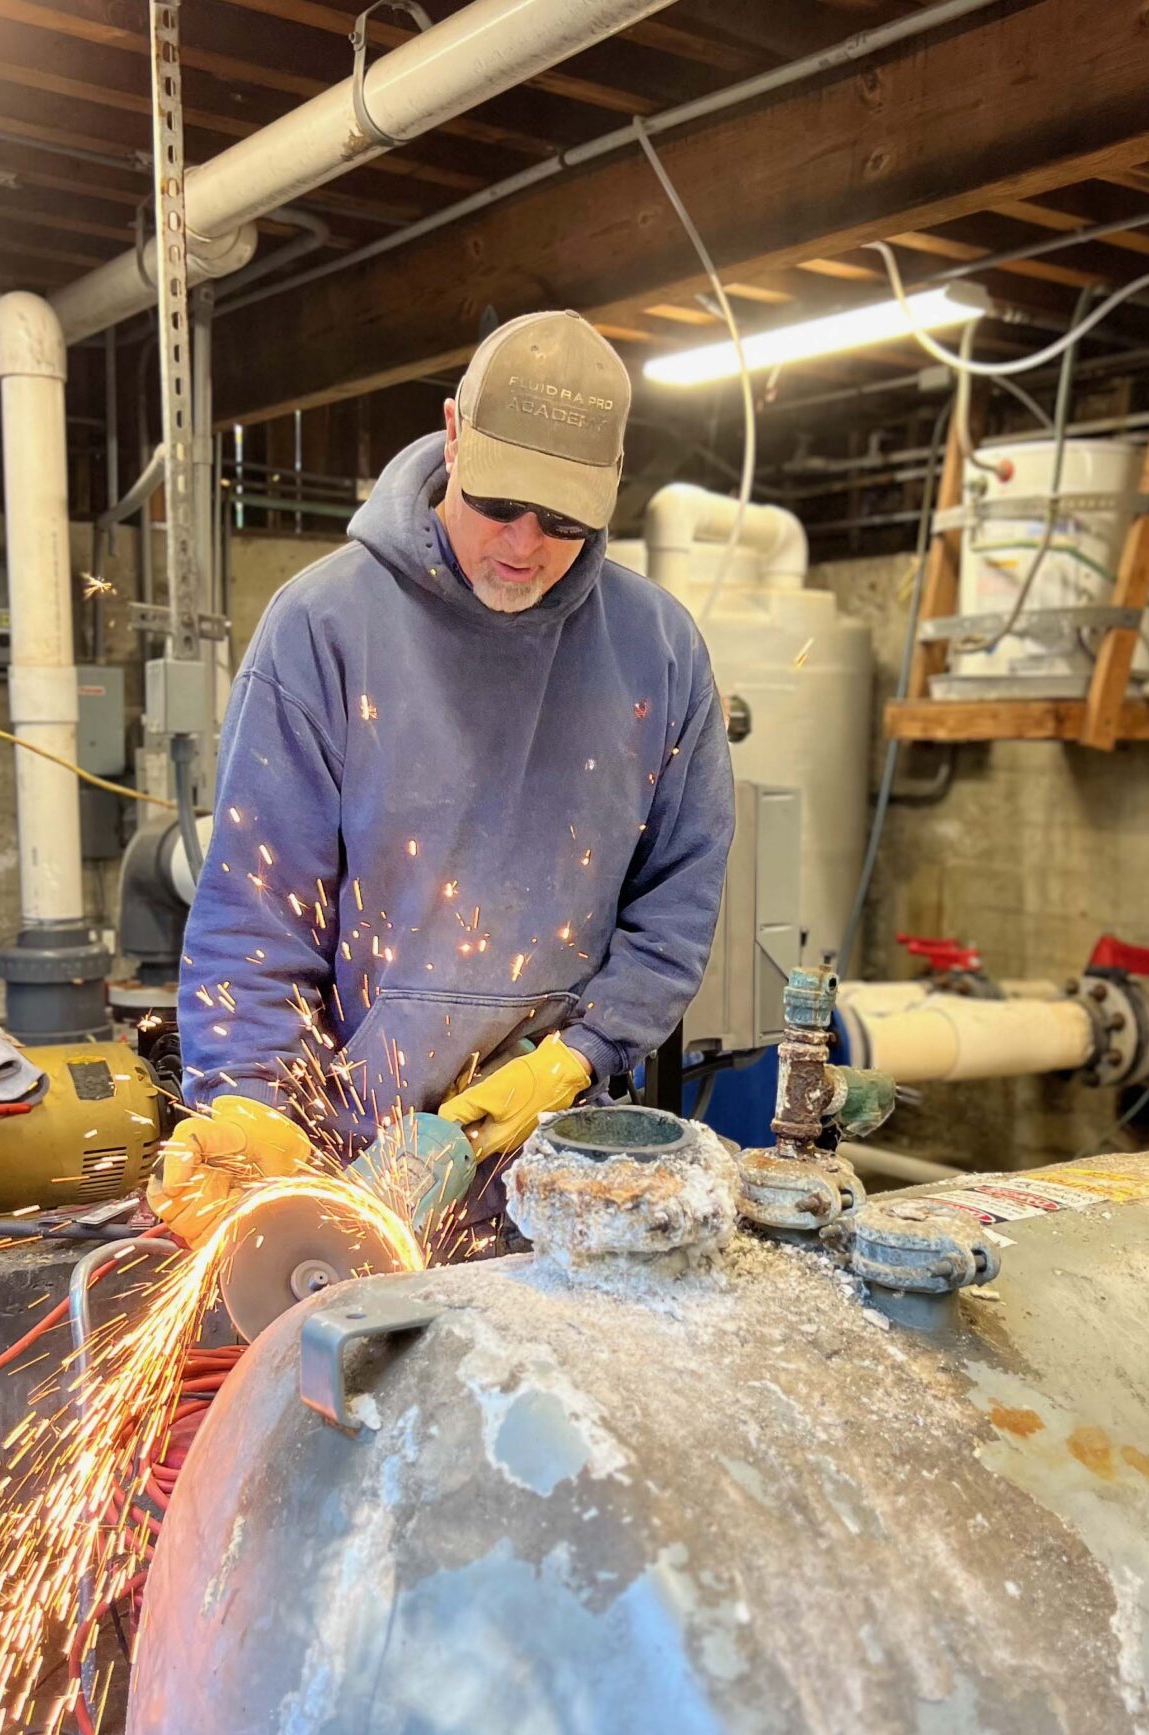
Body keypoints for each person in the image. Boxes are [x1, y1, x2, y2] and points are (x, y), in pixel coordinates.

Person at [148, 310, 734, 1246]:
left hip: (565, 1166)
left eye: (564, 523)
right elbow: (256, 918)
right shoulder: (324, 628)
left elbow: (677, 905)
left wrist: (581, 1056)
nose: (524, 546)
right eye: (500, 506)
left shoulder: (658, 652)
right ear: (454, 435)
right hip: (351, 1160)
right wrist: (252, 1106)